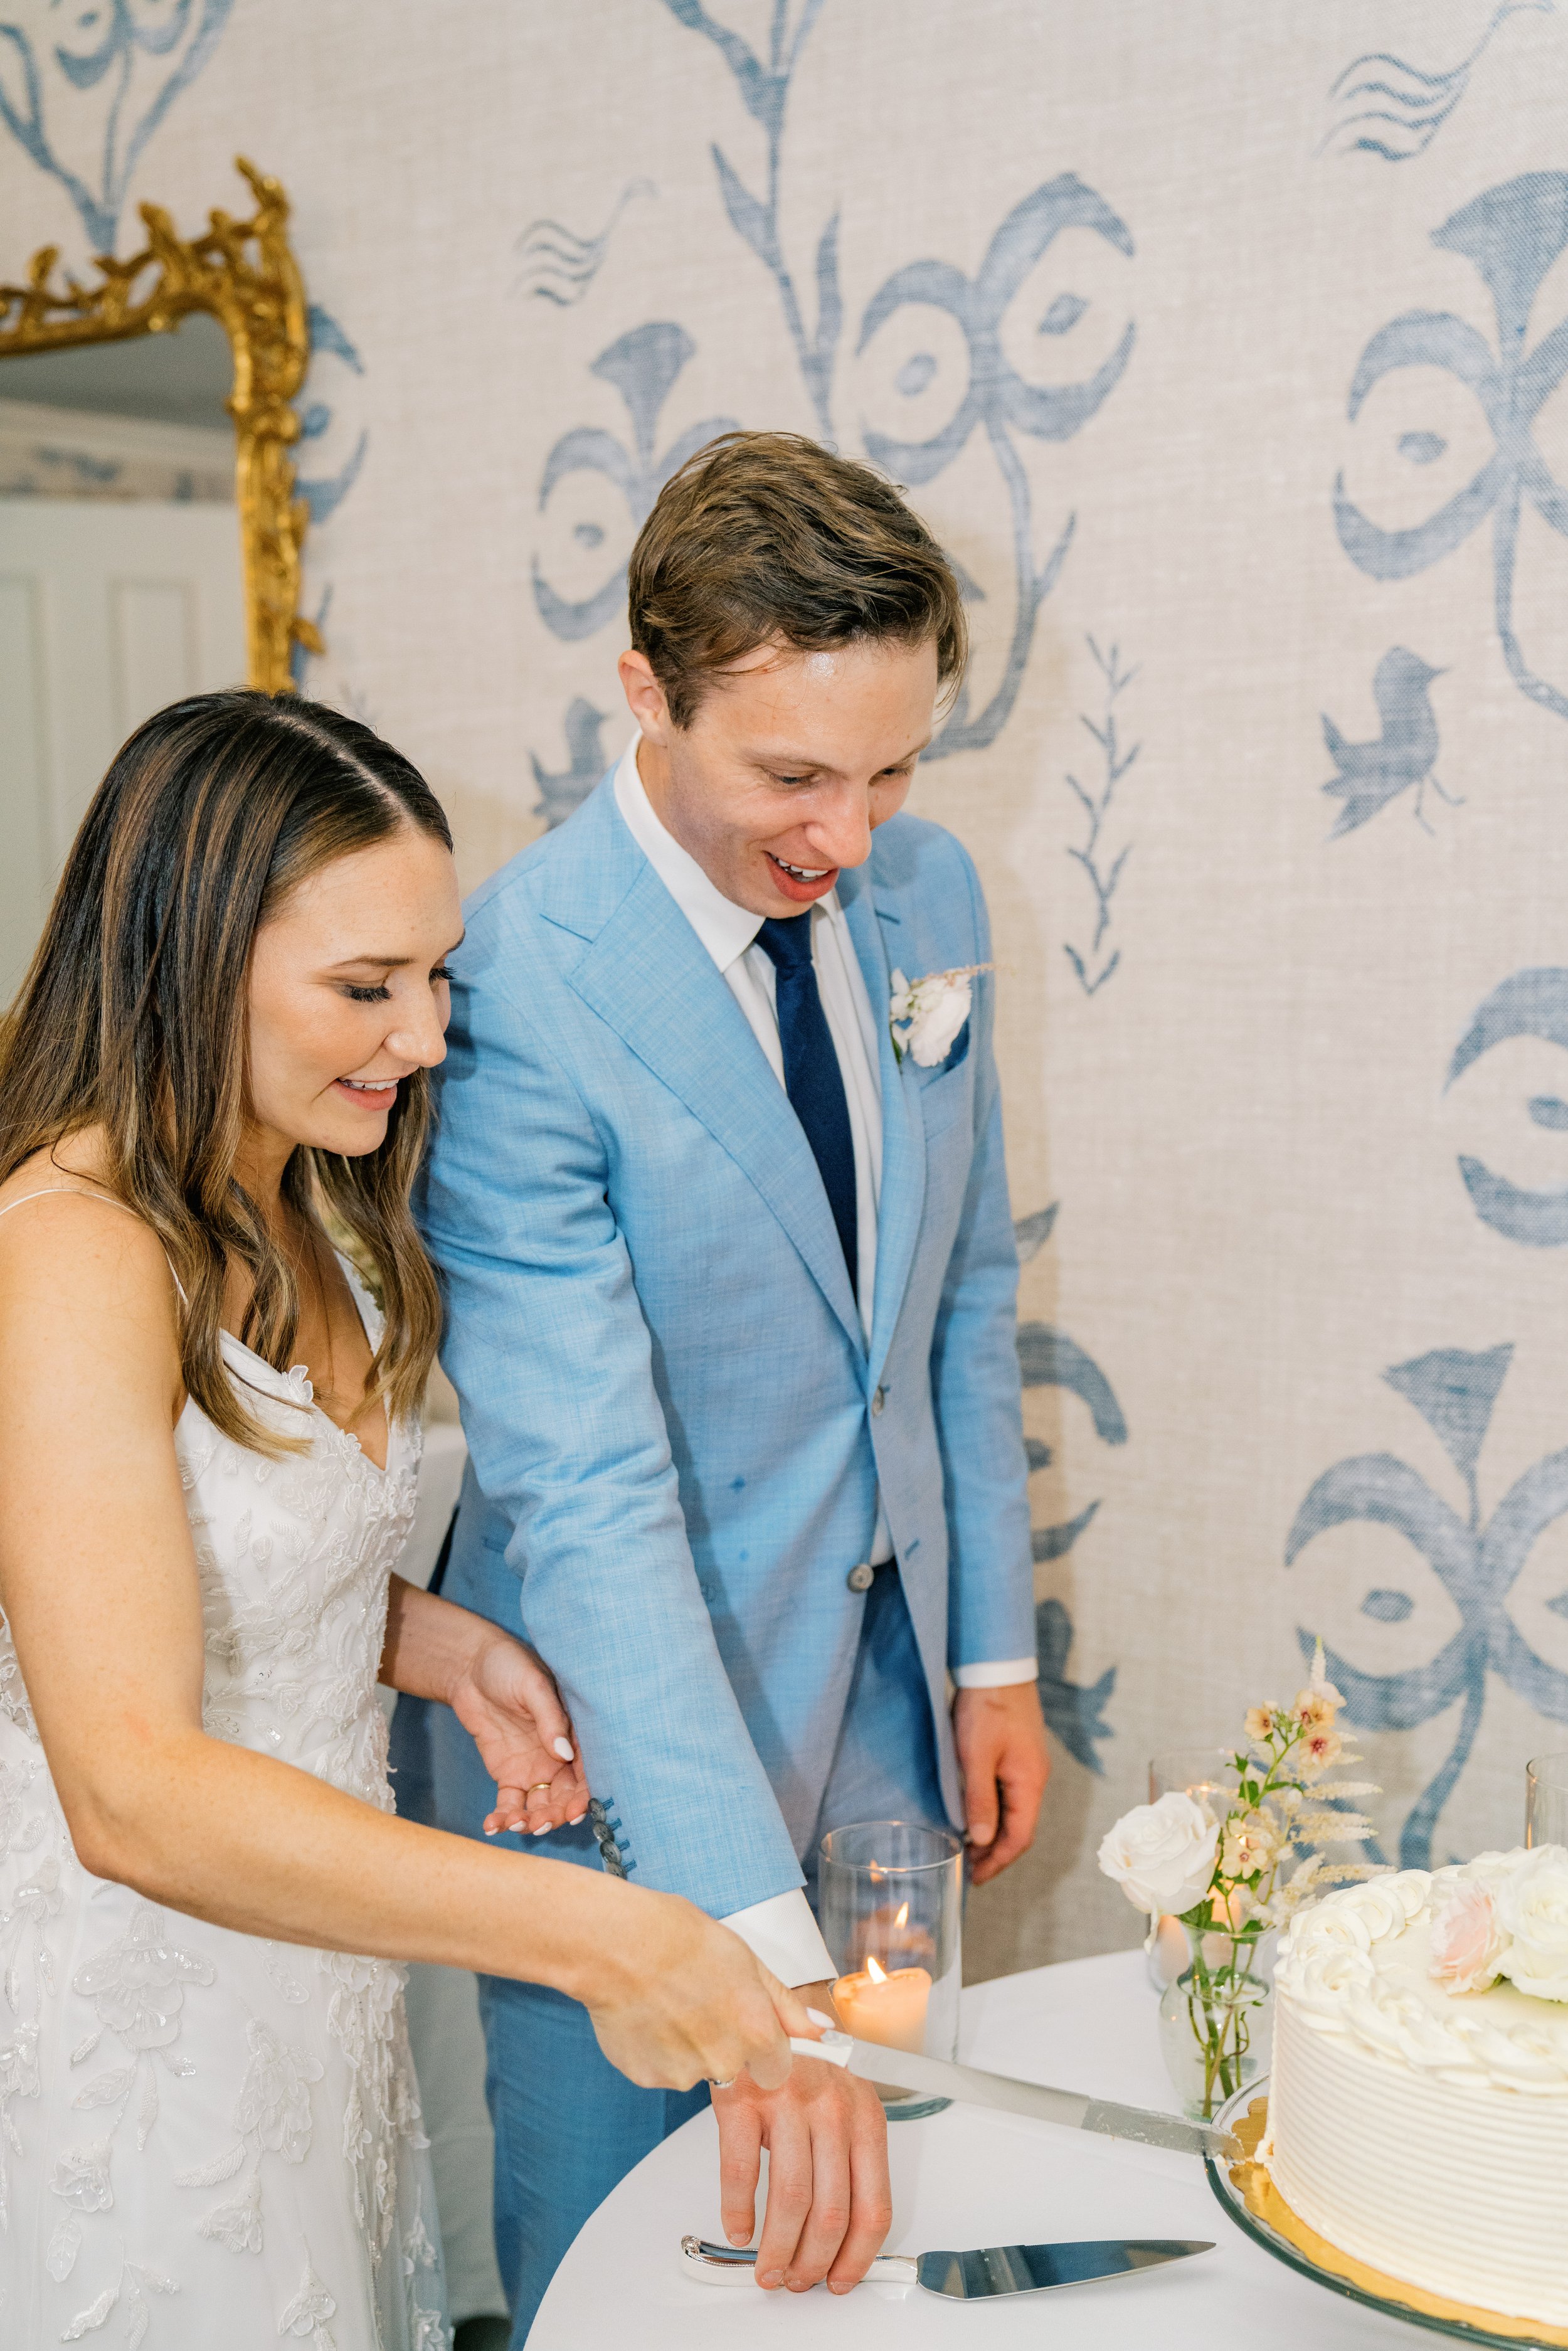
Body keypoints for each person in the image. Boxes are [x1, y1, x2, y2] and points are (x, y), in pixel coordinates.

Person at [0, 690, 812, 2350]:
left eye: (434, 974)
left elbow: (198, 1544)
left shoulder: (307, 1191)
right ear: (185, 956)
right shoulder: (69, 1249)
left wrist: (423, 1639)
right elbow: (131, 1784)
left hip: (316, 1995)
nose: (427, 1033)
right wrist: (602, 1930)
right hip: (140, 2014)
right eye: (364, 987)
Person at [420, 430, 1050, 2339]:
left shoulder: (924, 896)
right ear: (646, 693)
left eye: (887, 771)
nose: (843, 837)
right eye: (790, 775)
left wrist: (990, 1658)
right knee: (625, 2264)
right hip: (612, 1771)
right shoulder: (518, 977)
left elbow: (955, 1292)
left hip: (885, 1730)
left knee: (875, 2244)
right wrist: (737, 1945)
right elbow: (586, 1490)